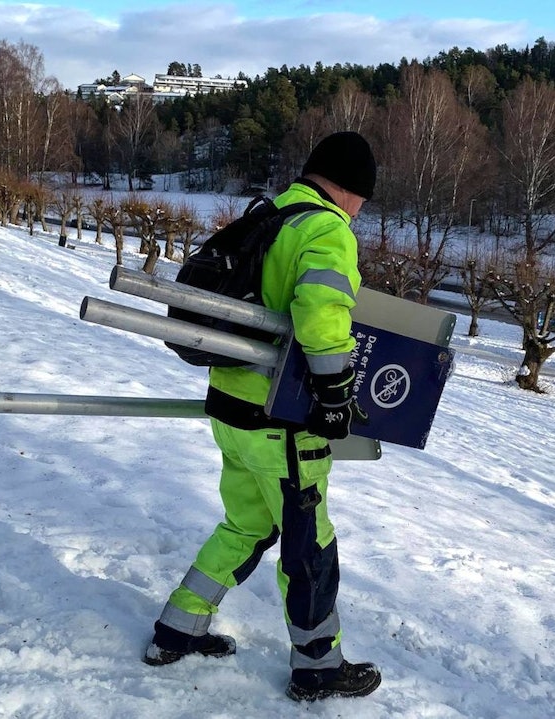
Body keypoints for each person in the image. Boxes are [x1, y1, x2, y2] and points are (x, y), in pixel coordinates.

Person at [143, 131, 381, 702]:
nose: (359, 212)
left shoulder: (272, 213)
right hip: (282, 429)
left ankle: (179, 627)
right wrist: (335, 395)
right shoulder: (326, 229)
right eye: (362, 201)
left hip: (229, 409)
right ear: (350, 188)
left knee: (246, 526)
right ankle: (318, 668)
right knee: (310, 549)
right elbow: (321, 315)